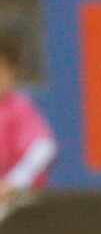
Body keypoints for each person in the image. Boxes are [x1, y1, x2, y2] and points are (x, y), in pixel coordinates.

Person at [0, 25, 58, 203]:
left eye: (2, 71)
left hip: (15, 201)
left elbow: (43, 149)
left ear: (13, 73)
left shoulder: (18, 108)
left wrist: (14, 182)